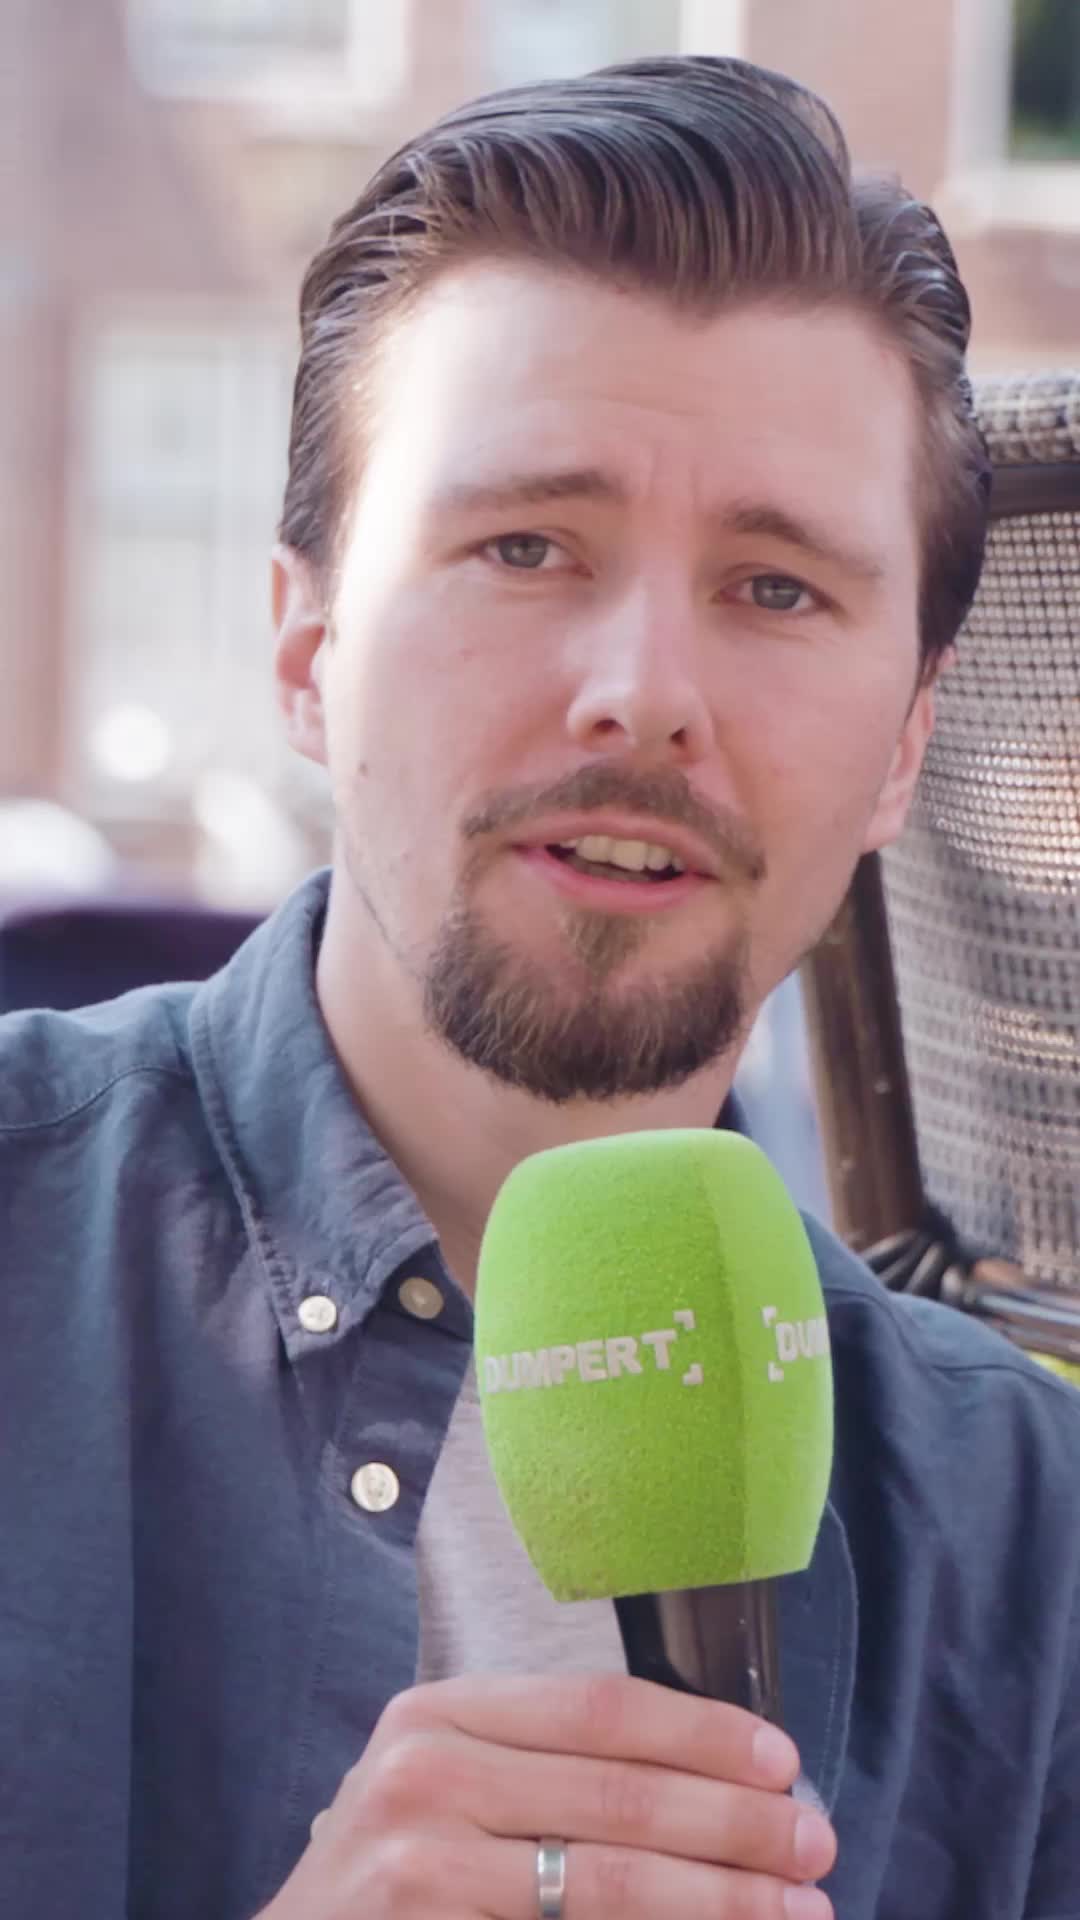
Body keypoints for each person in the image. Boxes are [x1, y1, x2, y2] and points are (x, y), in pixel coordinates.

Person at [1, 54, 1077, 1920]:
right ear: (307, 645)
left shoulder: (1027, 1538)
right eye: (524, 546)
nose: (644, 692)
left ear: (907, 746)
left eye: (778, 589)